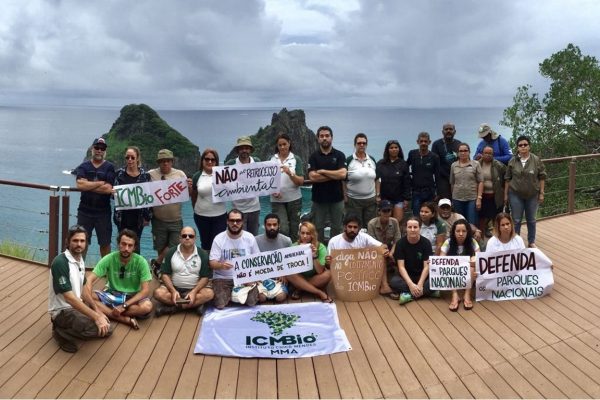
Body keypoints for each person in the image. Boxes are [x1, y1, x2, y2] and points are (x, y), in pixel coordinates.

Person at [48, 225, 113, 353]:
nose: (79, 244)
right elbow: (69, 298)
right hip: (63, 311)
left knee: (107, 328)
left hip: (76, 307)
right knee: (101, 328)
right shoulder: (60, 262)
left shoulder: (80, 259)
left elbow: (84, 290)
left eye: (82, 241)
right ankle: (60, 332)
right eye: (75, 240)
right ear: (67, 242)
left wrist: (97, 310)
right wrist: (96, 317)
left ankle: (70, 328)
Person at [84, 229, 154, 330]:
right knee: (88, 296)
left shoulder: (141, 261)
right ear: (118, 244)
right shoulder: (109, 258)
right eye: (123, 244)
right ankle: (124, 318)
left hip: (133, 296)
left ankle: (108, 311)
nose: (126, 248)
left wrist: (124, 306)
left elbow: (145, 290)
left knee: (147, 306)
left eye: (130, 245)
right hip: (113, 294)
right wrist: (88, 292)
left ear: (134, 247)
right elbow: (89, 280)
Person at [326, 214, 394, 298]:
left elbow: (382, 246)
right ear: (344, 227)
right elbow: (329, 265)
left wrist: (384, 251)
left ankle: (384, 286)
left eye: (355, 227)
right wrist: (328, 261)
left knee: (381, 254)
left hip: (362, 272)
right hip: (344, 274)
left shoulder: (364, 237)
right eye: (350, 227)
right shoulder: (334, 241)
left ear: (359, 228)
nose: (352, 230)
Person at [153, 226, 214, 317]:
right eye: (184, 236)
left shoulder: (203, 254)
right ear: (180, 238)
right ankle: (194, 305)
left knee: (209, 294)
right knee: (158, 293)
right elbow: (165, 274)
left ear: (195, 238)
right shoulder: (171, 252)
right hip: (174, 288)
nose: (187, 238)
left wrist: (194, 292)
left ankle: (172, 309)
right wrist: (173, 291)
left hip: (194, 289)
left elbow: (205, 277)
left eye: (190, 236)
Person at [209, 209, 261, 309]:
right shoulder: (219, 238)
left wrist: (253, 278)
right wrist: (221, 265)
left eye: (238, 220)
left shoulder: (250, 237)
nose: (235, 223)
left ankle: (233, 295)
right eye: (232, 220)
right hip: (223, 278)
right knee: (220, 304)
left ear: (242, 222)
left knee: (251, 302)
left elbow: (258, 260)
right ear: (227, 221)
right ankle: (233, 294)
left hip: (245, 278)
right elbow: (212, 263)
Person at [148, 149, 188, 275]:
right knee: (160, 247)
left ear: (172, 162)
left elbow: (188, 193)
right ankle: (162, 272)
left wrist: (190, 186)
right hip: (158, 220)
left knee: (174, 246)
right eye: (162, 161)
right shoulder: (150, 174)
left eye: (168, 161)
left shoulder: (180, 174)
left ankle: (157, 263)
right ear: (158, 162)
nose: (165, 163)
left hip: (176, 219)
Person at [75, 137, 116, 257]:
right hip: (84, 211)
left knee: (105, 243)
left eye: (102, 148)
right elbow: (80, 185)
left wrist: (88, 185)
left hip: (103, 213)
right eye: (97, 147)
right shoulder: (83, 166)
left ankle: (105, 267)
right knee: (81, 242)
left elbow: (108, 189)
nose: (99, 150)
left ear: (105, 151)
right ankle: (79, 266)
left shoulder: (109, 167)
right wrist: (100, 183)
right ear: (92, 149)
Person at [504, 135, 547, 248]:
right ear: (517, 147)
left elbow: (542, 177)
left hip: (532, 194)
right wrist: (506, 195)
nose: (523, 147)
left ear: (529, 146)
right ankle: (516, 242)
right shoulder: (512, 161)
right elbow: (507, 179)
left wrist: (541, 193)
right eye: (520, 145)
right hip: (515, 194)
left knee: (531, 219)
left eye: (525, 144)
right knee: (516, 220)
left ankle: (531, 242)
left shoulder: (536, 160)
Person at [308, 126, 347, 241]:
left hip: (337, 199)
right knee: (317, 228)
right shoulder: (313, 156)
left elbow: (343, 174)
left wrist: (323, 171)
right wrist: (334, 175)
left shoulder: (339, 155)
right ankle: (319, 249)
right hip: (318, 199)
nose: (324, 138)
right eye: (322, 136)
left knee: (337, 227)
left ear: (331, 138)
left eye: (327, 136)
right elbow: (312, 177)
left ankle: (334, 249)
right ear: (318, 138)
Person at [112, 146, 152, 254]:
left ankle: (136, 265)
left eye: (132, 157)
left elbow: (149, 197)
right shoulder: (119, 174)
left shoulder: (145, 176)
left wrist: (148, 217)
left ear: (137, 158)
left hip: (138, 217)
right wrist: (113, 193)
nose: (130, 160)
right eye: (127, 157)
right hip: (122, 217)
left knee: (136, 244)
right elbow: (113, 195)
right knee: (122, 243)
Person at [391, 217, 436, 305]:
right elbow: (401, 267)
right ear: (406, 228)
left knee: (435, 281)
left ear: (420, 228)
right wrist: (411, 285)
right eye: (410, 227)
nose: (412, 230)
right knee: (394, 281)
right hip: (407, 276)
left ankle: (408, 295)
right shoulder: (400, 244)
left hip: (422, 276)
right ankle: (424, 293)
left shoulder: (426, 243)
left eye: (415, 227)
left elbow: (426, 267)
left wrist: (420, 284)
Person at [270, 133, 305, 242]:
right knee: (283, 229)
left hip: (294, 200)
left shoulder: (296, 159)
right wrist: (273, 190)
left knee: (295, 229)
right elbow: (266, 181)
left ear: (289, 143)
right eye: (280, 145)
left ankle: (295, 250)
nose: (282, 147)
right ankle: (284, 250)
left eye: (284, 144)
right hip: (277, 200)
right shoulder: (272, 159)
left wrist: (290, 173)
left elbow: (300, 181)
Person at [191, 148, 227, 251]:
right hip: (201, 217)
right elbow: (193, 196)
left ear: (216, 161)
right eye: (207, 159)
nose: (210, 162)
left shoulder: (224, 175)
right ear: (202, 160)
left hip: (220, 216)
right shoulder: (197, 176)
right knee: (205, 244)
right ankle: (207, 261)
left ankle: (216, 262)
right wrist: (196, 209)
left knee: (218, 244)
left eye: (213, 159)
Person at [440, 219, 480, 311]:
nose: (461, 234)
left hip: (469, 275)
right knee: (447, 264)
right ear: (453, 232)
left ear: (467, 232)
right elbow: (441, 258)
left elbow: (479, 255)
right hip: (452, 276)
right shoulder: (448, 242)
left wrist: (475, 259)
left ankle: (467, 294)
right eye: (458, 231)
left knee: (473, 261)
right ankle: (454, 294)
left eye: (464, 231)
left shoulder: (472, 241)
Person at [288, 221, 332, 303]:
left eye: (308, 233)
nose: (305, 236)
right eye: (302, 233)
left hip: (314, 277)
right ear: (299, 233)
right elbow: (288, 266)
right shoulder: (294, 246)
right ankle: (319, 292)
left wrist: (314, 256)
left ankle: (300, 288)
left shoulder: (320, 247)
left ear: (313, 235)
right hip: (299, 277)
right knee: (288, 273)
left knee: (328, 274)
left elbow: (320, 271)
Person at [226, 136, 262, 235]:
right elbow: (223, 183)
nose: (244, 150)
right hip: (237, 209)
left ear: (250, 149)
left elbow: (265, 179)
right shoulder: (231, 164)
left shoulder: (257, 162)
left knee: (253, 236)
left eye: (246, 148)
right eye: (241, 148)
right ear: (238, 150)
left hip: (254, 207)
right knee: (240, 236)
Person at [254, 213, 291, 303]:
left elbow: (290, 262)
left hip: (279, 279)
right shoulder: (255, 240)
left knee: (280, 298)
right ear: (264, 226)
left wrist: (285, 274)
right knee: (261, 298)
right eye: (269, 225)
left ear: (279, 225)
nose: (272, 227)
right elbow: (252, 262)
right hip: (262, 279)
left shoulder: (286, 241)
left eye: (275, 225)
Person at [344, 133, 378, 227]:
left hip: (371, 200)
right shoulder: (349, 160)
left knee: (370, 225)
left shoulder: (372, 160)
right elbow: (343, 180)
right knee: (355, 226)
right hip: (353, 200)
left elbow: (377, 179)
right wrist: (345, 195)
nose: (361, 145)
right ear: (355, 145)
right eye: (359, 143)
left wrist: (378, 195)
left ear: (366, 144)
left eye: (364, 143)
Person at [375, 139, 411, 224]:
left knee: (397, 222)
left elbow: (407, 182)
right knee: (385, 222)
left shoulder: (403, 164)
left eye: (396, 147)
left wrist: (406, 199)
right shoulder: (381, 163)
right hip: (384, 198)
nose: (394, 149)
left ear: (399, 149)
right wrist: (378, 195)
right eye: (391, 148)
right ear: (387, 150)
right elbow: (377, 180)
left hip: (399, 199)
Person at [407, 132, 440, 218]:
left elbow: (437, 175)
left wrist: (437, 192)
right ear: (417, 142)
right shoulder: (412, 154)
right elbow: (405, 168)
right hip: (416, 191)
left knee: (430, 216)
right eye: (421, 141)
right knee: (417, 216)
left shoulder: (434, 157)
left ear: (429, 142)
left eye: (425, 141)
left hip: (430, 192)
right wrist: (409, 181)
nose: (423, 143)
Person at [449, 143, 483, 225]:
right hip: (457, 199)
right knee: (459, 223)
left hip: (472, 198)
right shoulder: (453, 165)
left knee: (472, 223)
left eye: (465, 150)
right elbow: (452, 183)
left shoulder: (476, 164)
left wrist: (479, 198)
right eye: (460, 151)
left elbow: (481, 181)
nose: (463, 153)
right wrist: (453, 198)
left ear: (469, 152)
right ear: (457, 153)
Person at [477, 145, 506, 236]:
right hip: (482, 196)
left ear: (493, 155)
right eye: (486, 153)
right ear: (482, 154)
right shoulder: (477, 164)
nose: (488, 155)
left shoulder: (499, 165)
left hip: (495, 196)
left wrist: (504, 193)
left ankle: (498, 236)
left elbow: (506, 178)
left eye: (490, 153)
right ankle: (481, 237)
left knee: (496, 218)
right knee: (482, 218)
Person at [432, 122, 462, 200]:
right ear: (443, 132)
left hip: (457, 178)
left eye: (451, 129)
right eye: (446, 129)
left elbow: (462, 161)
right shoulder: (436, 144)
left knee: (457, 200)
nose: (448, 131)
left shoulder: (459, 144)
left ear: (455, 131)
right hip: (442, 179)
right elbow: (435, 164)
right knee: (445, 202)